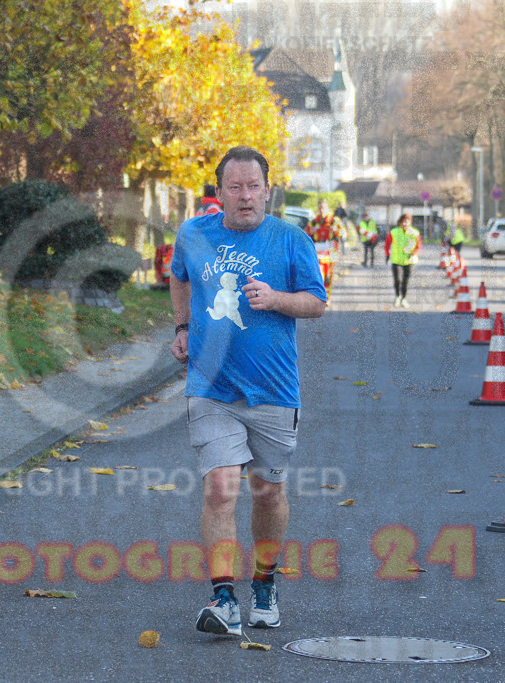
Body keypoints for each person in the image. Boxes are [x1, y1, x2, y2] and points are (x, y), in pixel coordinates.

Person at [169, 146, 327, 636]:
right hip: (212, 387)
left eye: (252, 186)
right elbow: (179, 278)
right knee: (220, 489)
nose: (244, 196)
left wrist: (277, 299)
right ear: (218, 193)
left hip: (275, 391)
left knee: (268, 492)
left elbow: (317, 303)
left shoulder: (290, 239)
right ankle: (223, 599)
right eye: (234, 187)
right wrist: (181, 324)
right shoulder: (193, 233)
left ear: (267, 189)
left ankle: (264, 581)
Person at [383, 213, 422, 308]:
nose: (404, 224)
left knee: (406, 281)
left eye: (407, 222)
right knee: (397, 280)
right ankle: (397, 296)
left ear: (410, 223)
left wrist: (414, 254)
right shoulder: (394, 232)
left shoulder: (414, 233)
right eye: (403, 222)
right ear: (400, 223)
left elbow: (419, 246)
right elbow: (387, 244)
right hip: (397, 260)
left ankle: (404, 298)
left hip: (410, 261)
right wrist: (387, 254)